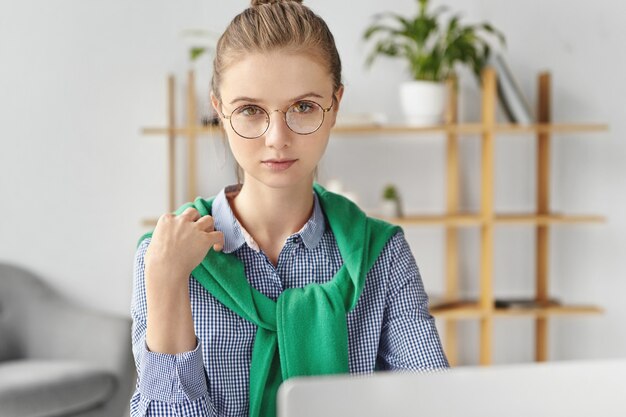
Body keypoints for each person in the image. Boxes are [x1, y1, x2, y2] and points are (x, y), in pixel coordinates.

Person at [130, 1, 449, 416]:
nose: (277, 138)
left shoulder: (381, 254)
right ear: (219, 111)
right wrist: (166, 283)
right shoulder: (164, 256)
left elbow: (433, 402)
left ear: (335, 105)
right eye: (250, 110)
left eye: (303, 107)